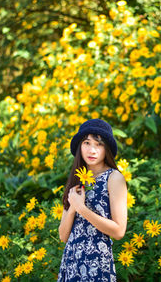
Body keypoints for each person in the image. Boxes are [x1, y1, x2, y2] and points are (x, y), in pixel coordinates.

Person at [57, 119, 127, 281]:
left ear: (106, 148)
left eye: (99, 144)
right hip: (71, 264)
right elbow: (63, 236)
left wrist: (81, 208)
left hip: (97, 265)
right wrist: (73, 207)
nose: (92, 150)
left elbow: (118, 231)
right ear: (80, 146)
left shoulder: (114, 178)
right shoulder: (76, 180)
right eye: (87, 143)